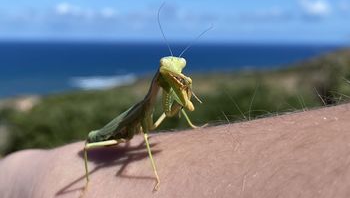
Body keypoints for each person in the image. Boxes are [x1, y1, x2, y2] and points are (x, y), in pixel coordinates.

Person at [1, 104, 350, 198]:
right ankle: (87, 185)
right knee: (143, 144)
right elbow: (140, 137)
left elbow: (167, 115)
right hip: (101, 139)